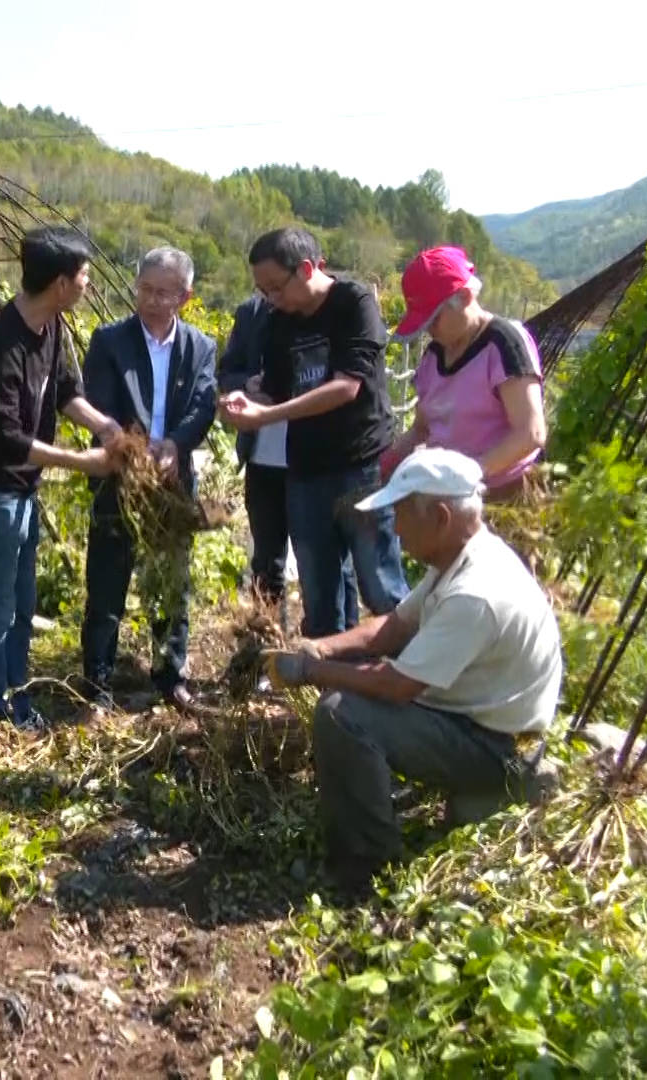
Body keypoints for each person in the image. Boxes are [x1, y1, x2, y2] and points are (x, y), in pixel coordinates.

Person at [263, 448, 563, 894]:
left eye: (402, 514)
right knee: (352, 691)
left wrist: (310, 672)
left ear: (440, 516)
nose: (396, 530)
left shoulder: (475, 593)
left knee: (341, 714)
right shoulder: (461, 559)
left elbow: (397, 686)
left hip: (496, 749)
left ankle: (367, 867)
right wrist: (322, 648)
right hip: (476, 723)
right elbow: (392, 627)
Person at [0, 225, 123, 731]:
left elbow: (66, 391)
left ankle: (17, 694)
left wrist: (104, 426)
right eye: (84, 277)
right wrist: (82, 462)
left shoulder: (51, 328)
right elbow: (5, 436)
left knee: (23, 603)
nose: (88, 285)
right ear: (59, 283)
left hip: (23, 491)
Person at [221, 228, 407, 638]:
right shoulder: (277, 321)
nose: (270, 298)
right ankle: (335, 693)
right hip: (305, 471)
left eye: (275, 287)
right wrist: (246, 402)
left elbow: (346, 387)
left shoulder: (353, 303)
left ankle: (404, 684)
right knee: (320, 596)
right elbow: (279, 389)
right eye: (262, 289)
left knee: (381, 587)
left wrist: (264, 416)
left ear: (306, 269)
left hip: (361, 467)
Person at [80, 247, 220, 710]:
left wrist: (175, 445)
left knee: (171, 580)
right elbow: (98, 407)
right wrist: (133, 450)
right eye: (145, 289)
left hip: (173, 480)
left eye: (164, 293)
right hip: (120, 476)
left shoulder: (200, 347)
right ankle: (98, 680)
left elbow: (203, 405)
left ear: (185, 295)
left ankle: (170, 675)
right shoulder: (109, 341)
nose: (153, 300)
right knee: (107, 577)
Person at [384, 247, 548, 499]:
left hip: (504, 493)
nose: (430, 331)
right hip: (452, 495)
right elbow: (421, 429)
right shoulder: (434, 356)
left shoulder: (503, 343)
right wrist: (387, 464)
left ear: (464, 297)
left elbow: (530, 433)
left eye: (434, 320)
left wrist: (469, 473)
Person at [216, 292, 292, 620]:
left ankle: (327, 655)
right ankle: (268, 643)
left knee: (324, 559)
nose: (270, 292)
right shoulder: (251, 311)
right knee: (266, 558)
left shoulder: (323, 313)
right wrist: (248, 383)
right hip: (262, 455)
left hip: (314, 459)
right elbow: (227, 371)